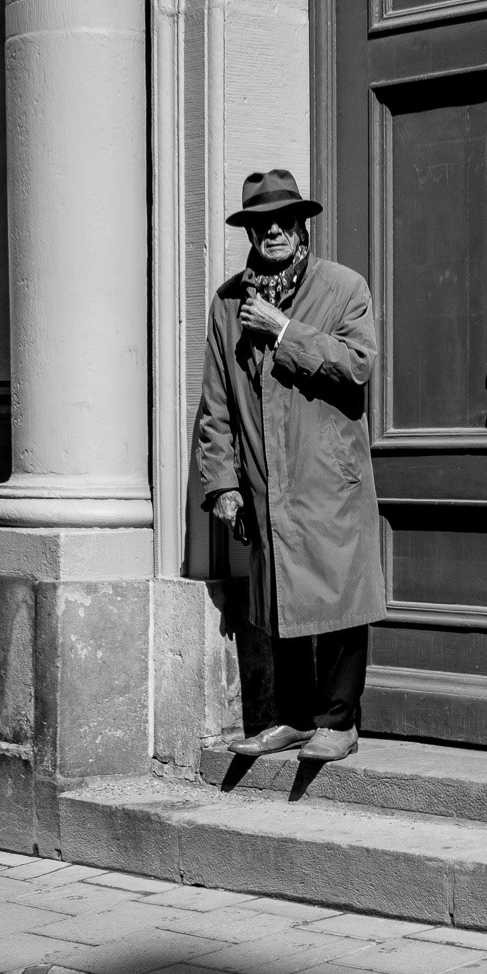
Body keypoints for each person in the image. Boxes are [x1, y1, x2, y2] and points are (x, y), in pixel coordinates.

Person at [195, 168, 386, 761]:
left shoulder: (343, 287)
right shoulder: (228, 302)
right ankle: (295, 718)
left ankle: (339, 720)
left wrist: (284, 332)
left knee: (341, 594)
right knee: (279, 597)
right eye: (261, 223)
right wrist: (222, 483)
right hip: (265, 477)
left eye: (284, 220)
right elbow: (216, 401)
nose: (273, 231)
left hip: (327, 474)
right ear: (250, 232)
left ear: (302, 225)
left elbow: (357, 365)